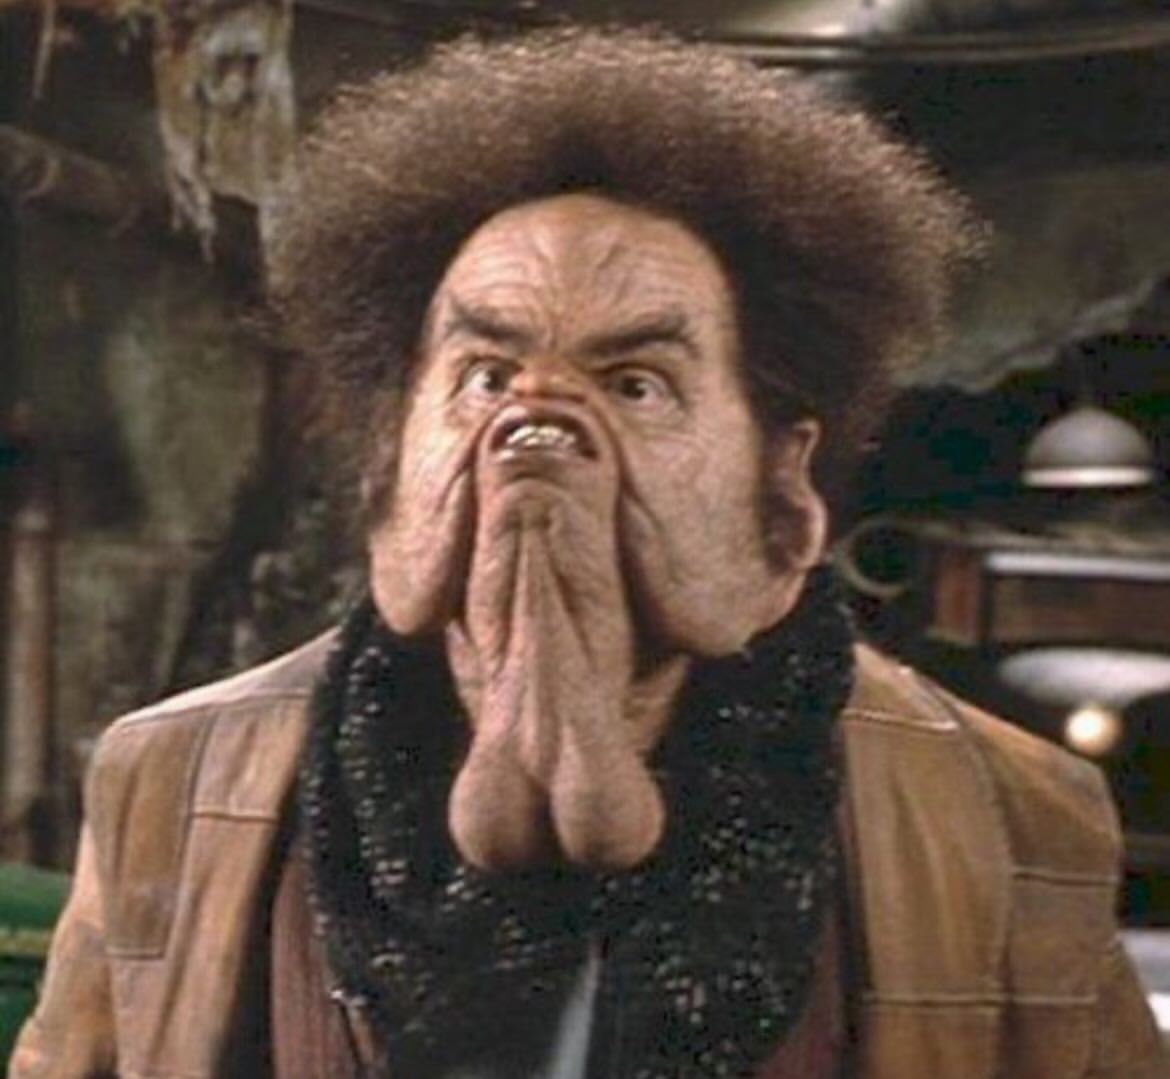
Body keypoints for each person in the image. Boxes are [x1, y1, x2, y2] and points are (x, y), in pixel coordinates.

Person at [11, 28, 1166, 1079]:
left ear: (780, 500)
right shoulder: (169, 778)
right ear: (386, 473)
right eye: (484, 373)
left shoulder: (1015, 814)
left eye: (635, 382)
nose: (537, 416)